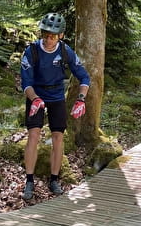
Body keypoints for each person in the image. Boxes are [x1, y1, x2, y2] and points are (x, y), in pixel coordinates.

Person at [20, 12, 90, 200]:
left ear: (61, 35)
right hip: (36, 94)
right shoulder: (31, 51)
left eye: (53, 35)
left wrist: (81, 98)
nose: (49, 39)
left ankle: (54, 179)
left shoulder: (66, 51)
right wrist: (35, 99)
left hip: (57, 95)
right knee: (33, 134)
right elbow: (25, 83)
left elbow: (84, 76)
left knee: (58, 136)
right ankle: (29, 180)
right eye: (45, 35)